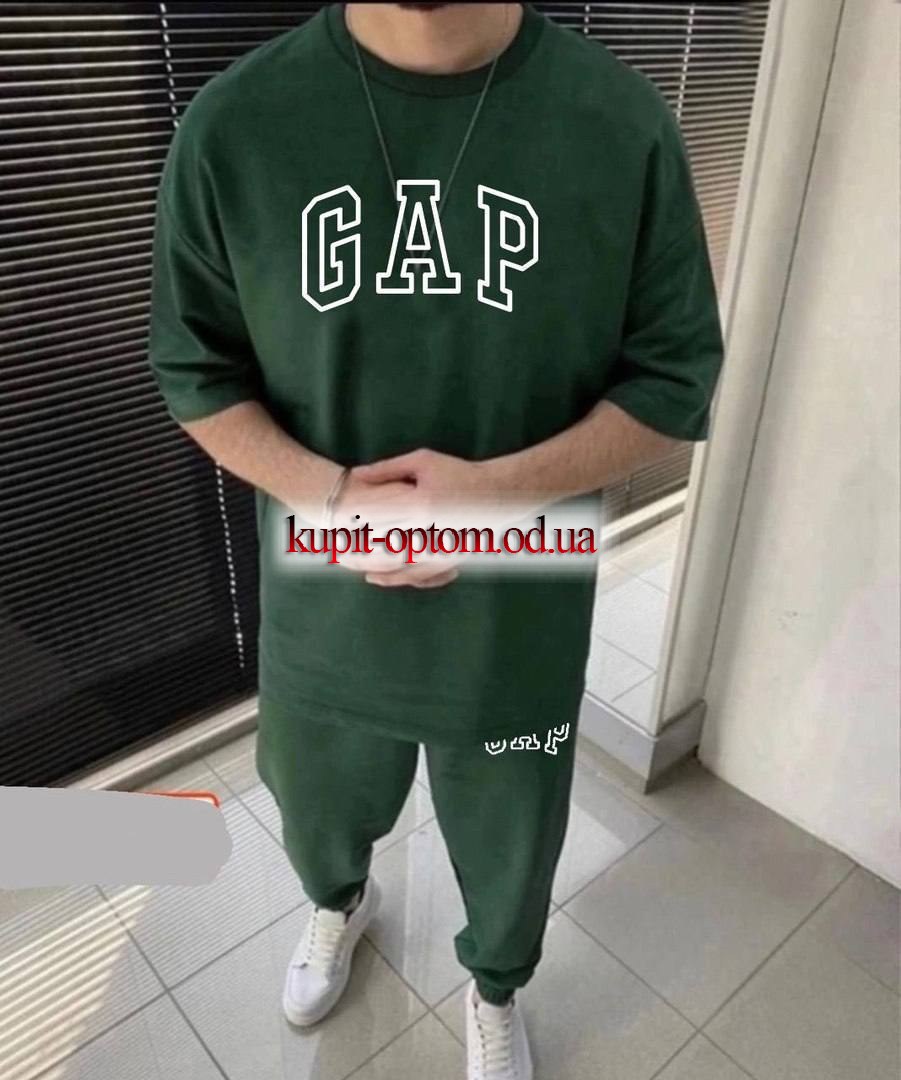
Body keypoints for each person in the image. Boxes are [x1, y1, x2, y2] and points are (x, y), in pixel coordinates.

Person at [147, 3, 724, 1077]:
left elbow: (674, 383)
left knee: (512, 820)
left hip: (522, 597)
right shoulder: (235, 126)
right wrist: (331, 495)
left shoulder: (618, 124)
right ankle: (337, 903)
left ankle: (496, 985)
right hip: (323, 583)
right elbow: (195, 372)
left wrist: (489, 495)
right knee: (317, 799)